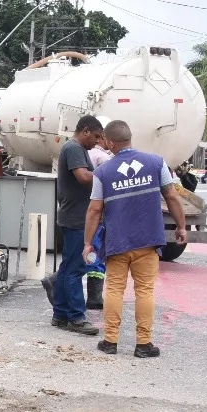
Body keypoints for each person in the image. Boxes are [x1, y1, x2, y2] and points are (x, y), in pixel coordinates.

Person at [83, 120, 188, 357]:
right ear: (130, 138)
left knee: (114, 290)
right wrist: (181, 226)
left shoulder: (102, 172)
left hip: (117, 242)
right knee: (145, 291)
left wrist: (88, 242)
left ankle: (110, 341)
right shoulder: (156, 162)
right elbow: (171, 196)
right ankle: (143, 344)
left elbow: (94, 210)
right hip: (148, 239)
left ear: (109, 143)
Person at [45, 116, 104, 335]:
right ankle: (76, 317)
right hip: (77, 219)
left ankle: (60, 313)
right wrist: (107, 172)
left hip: (73, 216)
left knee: (68, 266)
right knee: (76, 268)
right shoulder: (74, 148)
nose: (97, 142)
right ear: (86, 131)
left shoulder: (76, 148)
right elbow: (82, 176)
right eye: (96, 137)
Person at [85, 117, 114, 310]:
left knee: (89, 251)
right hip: (99, 211)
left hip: (87, 210)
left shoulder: (87, 153)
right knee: (95, 252)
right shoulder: (102, 157)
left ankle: (56, 280)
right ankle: (94, 297)